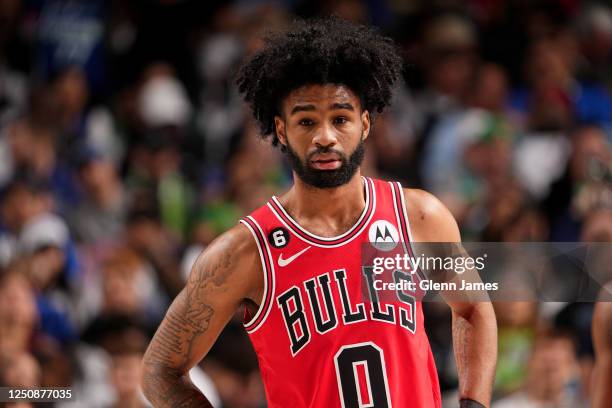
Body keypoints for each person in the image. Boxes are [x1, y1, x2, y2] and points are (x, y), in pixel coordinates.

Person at [142, 17, 497, 408]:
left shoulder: (418, 216)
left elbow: (473, 309)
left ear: (364, 124)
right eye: (306, 121)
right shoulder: (244, 252)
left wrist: (472, 403)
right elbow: (160, 369)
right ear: (280, 130)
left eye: (340, 119)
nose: (324, 136)